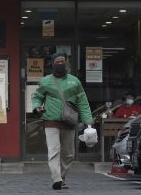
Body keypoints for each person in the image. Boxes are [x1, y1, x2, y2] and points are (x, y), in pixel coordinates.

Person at [31, 53, 93, 191]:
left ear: (67, 63)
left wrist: (88, 121)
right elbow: (37, 98)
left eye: (63, 61)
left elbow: (83, 103)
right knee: (54, 150)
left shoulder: (75, 81)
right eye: (57, 62)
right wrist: (36, 107)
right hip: (50, 121)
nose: (60, 64)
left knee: (68, 154)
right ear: (53, 64)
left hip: (69, 121)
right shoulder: (45, 81)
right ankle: (56, 179)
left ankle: (62, 177)